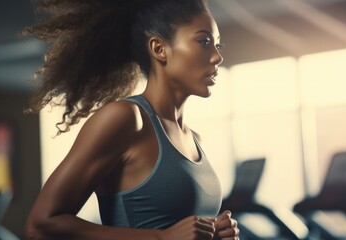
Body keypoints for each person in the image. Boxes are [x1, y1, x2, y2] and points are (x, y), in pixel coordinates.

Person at [23, 0, 239, 239]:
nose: (218, 57)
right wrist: (160, 238)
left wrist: (218, 233)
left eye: (218, 45)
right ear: (159, 49)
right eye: (204, 42)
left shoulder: (193, 138)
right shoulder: (126, 119)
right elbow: (41, 224)